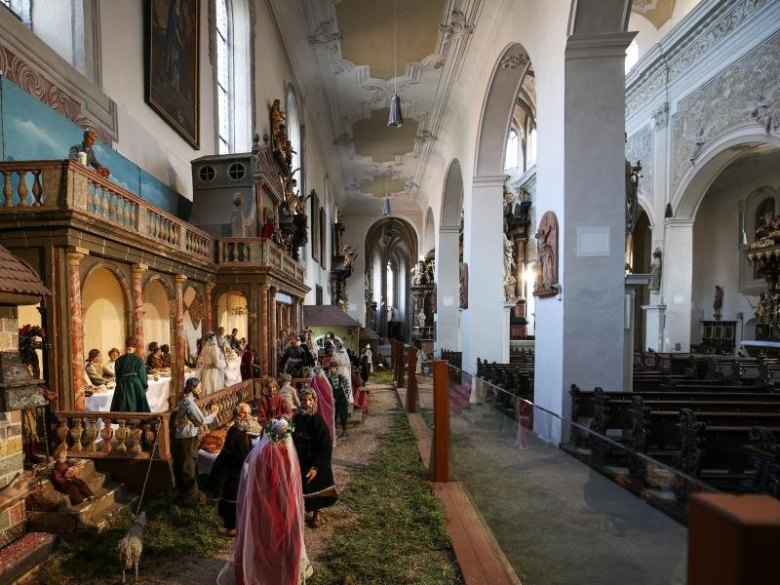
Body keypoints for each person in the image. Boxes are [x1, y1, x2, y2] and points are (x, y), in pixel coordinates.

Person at [218, 417, 311, 585]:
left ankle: (259, 575)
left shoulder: (259, 455)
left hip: (261, 506)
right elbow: (292, 485)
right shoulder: (288, 455)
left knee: (261, 542)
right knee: (281, 542)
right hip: (282, 506)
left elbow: (252, 484)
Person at [208, 402, 258, 535]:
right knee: (232, 495)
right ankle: (232, 526)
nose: (246, 416)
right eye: (243, 413)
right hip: (232, 468)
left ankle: (241, 523)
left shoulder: (249, 428)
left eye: (248, 413)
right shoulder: (235, 430)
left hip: (243, 467)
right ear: (237, 414)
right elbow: (237, 453)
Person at [292, 388, 338, 528]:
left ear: (314, 402)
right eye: (304, 400)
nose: (307, 403)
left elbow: (325, 447)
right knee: (300, 487)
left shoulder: (318, 422)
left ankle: (317, 512)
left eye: (310, 400)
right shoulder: (297, 419)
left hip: (314, 461)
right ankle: (298, 512)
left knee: (316, 486)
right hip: (300, 459)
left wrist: (316, 466)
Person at [174, 377, 219, 501]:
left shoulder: (188, 401)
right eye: (198, 388)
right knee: (188, 463)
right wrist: (214, 414)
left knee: (192, 461)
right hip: (187, 436)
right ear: (193, 389)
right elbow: (200, 421)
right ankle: (191, 495)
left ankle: (195, 490)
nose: (200, 390)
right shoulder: (189, 403)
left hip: (189, 434)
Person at [110, 337, 150, 413]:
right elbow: (142, 376)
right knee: (137, 406)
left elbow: (117, 376)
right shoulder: (139, 360)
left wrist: (119, 385)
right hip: (136, 385)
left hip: (122, 385)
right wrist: (144, 386)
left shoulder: (119, 360)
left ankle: (123, 422)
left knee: (122, 406)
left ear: (125, 347)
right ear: (134, 348)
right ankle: (135, 422)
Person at [310, 367, 336, 445]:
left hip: (319, 407)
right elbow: (328, 394)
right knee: (325, 423)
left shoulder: (314, 381)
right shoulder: (322, 381)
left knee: (320, 423)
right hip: (322, 407)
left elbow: (310, 392)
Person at [326, 362, 350, 438]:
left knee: (343, 414)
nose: (332, 370)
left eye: (334, 368)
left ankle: (344, 430)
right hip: (333, 399)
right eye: (331, 368)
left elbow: (347, 387)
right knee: (333, 415)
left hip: (342, 398)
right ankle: (333, 431)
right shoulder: (328, 378)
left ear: (337, 368)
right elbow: (326, 389)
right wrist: (331, 398)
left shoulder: (341, 377)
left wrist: (347, 397)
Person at [329, 341, 353, 405]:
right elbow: (348, 364)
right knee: (346, 384)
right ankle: (347, 399)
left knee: (338, 385)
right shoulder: (345, 354)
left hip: (338, 370)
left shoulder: (334, 354)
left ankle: (339, 399)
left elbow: (332, 363)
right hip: (345, 371)